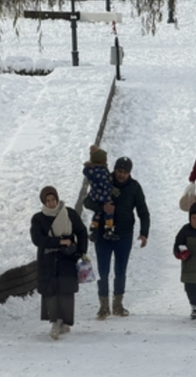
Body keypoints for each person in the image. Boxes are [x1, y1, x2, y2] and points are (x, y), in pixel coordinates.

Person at [85, 156, 150, 320]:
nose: (121, 175)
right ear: (114, 170)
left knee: (120, 271)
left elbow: (143, 211)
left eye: (125, 172)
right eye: (119, 171)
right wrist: (102, 207)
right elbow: (87, 202)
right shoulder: (104, 182)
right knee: (103, 271)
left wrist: (144, 233)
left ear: (129, 173)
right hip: (103, 234)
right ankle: (103, 306)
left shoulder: (134, 187)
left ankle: (118, 305)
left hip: (124, 235)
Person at [30, 186, 88, 340]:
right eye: (47, 201)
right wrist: (59, 241)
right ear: (43, 202)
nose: (51, 203)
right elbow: (38, 239)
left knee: (66, 291)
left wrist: (80, 252)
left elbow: (82, 232)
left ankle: (64, 321)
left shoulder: (69, 214)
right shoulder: (38, 218)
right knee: (51, 291)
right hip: (48, 261)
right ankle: (54, 322)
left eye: (53, 199)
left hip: (67, 259)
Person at [83, 145, 119, 241]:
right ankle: (109, 229)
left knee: (98, 211)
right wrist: (112, 189)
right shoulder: (101, 172)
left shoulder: (91, 170)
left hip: (95, 194)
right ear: (100, 160)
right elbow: (104, 183)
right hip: (103, 195)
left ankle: (94, 228)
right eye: (104, 158)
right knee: (109, 209)